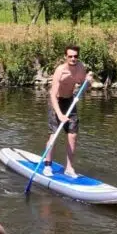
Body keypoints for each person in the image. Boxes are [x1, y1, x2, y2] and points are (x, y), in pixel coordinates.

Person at [43, 45, 93, 178]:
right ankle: (47, 165)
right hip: (56, 102)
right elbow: (52, 95)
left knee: (72, 135)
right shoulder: (60, 70)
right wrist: (59, 114)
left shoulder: (81, 68)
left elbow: (84, 87)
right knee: (54, 135)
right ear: (65, 57)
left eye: (75, 56)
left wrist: (88, 82)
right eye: (70, 56)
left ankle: (69, 168)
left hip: (70, 101)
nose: (73, 59)